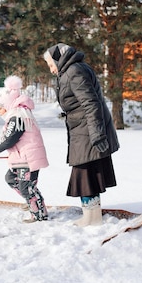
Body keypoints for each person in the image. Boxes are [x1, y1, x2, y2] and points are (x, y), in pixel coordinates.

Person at [43, 43, 120, 227]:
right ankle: (92, 216)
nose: (52, 70)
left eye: (51, 65)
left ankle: (91, 218)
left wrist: (97, 135)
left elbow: (91, 104)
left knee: (84, 173)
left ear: (58, 59)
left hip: (87, 130)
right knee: (89, 173)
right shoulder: (72, 69)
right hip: (83, 128)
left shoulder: (73, 71)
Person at [0, 75, 49, 223]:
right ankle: (31, 200)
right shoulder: (17, 115)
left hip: (28, 159)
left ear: (8, 105)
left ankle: (39, 213)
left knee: (26, 187)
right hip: (21, 158)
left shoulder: (18, 117)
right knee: (11, 179)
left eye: (0, 107)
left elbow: (10, 138)